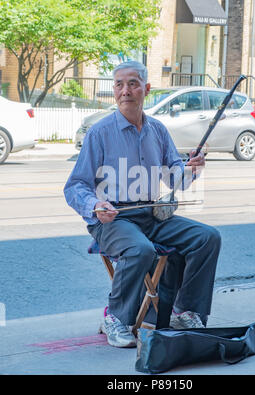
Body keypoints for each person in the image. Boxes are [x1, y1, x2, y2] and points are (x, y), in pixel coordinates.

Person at [64, 61, 221, 348]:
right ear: (114, 90)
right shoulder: (99, 133)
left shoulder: (158, 131)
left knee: (207, 237)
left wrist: (191, 168)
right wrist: (96, 204)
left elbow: (176, 178)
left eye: (133, 83)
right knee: (140, 249)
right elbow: (75, 186)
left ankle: (184, 312)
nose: (126, 91)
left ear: (146, 89)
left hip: (151, 214)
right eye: (119, 85)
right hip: (113, 221)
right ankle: (115, 317)